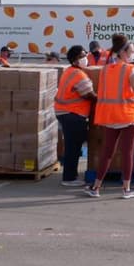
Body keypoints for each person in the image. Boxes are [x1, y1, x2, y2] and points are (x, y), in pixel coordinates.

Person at [85, 35, 134, 199]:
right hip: (128, 116)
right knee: (127, 152)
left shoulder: (106, 69)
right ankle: (126, 189)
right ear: (124, 52)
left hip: (110, 116)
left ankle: (96, 187)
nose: (133, 54)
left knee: (107, 152)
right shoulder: (130, 70)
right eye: (132, 51)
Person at [54, 45, 96, 187]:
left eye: (85, 55)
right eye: (81, 56)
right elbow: (89, 95)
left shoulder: (69, 71)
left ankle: (71, 175)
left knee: (75, 144)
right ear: (74, 59)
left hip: (65, 113)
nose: (85, 58)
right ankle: (69, 178)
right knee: (74, 146)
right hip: (72, 114)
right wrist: (105, 100)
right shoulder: (78, 74)